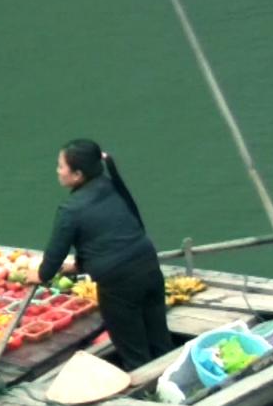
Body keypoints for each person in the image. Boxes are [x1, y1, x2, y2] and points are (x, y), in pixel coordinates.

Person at [25, 139, 173, 371]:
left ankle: (153, 400)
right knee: (160, 340)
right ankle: (176, 383)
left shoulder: (70, 210)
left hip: (119, 285)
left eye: (61, 166)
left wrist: (41, 275)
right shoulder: (110, 185)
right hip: (148, 266)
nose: (58, 171)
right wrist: (79, 266)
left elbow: (55, 255)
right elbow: (115, 231)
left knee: (134, 353)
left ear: (77, 175)